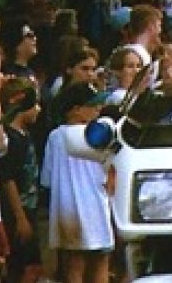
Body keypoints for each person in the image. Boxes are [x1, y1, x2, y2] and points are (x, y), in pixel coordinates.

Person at [40, 82, 113, 283]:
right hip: (96, 208)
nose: (98, 108)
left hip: (67, 211)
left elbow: (47, 179)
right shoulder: (103, 135)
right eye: (93, 105)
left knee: (74, 267)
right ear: (75, 110)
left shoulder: (55, 136)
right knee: (100, 262)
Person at [0, 77, 41, 283]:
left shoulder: (25, 134)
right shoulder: (10, 138)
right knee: (20, 267)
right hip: (16, 212)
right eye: (35, 104)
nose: (39, 109)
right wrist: (20, 217)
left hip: (29, 207)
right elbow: (8, 180)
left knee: (32, 266)